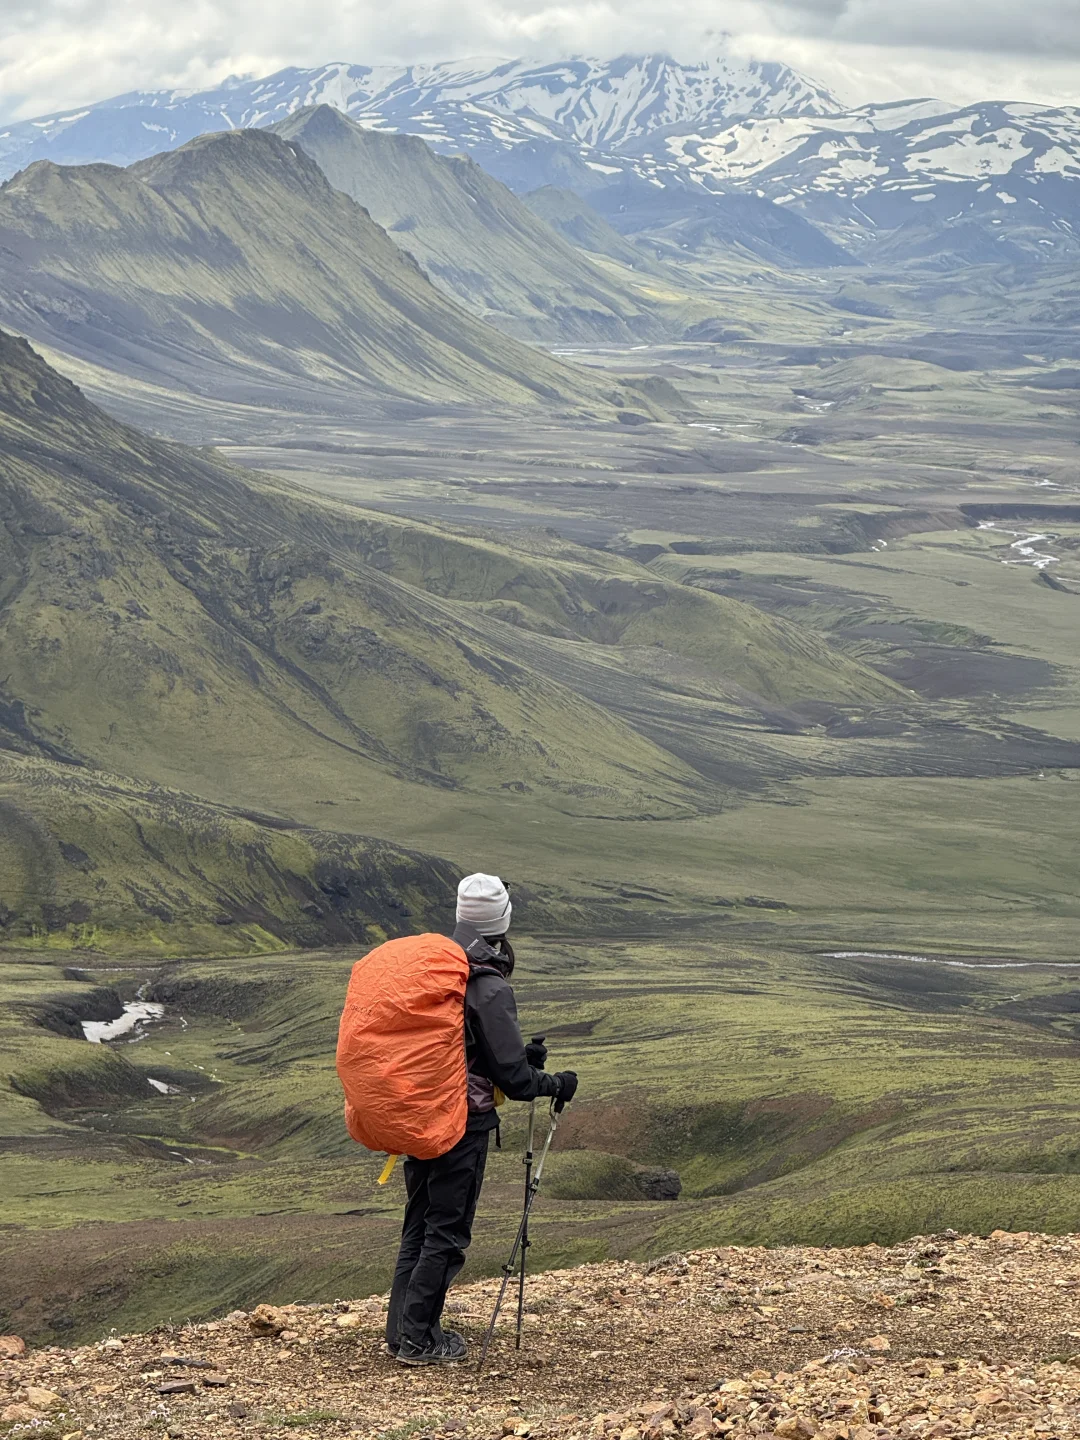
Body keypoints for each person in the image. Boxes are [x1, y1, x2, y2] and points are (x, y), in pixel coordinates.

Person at [386, 873, 578, 1366]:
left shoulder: (436, 969)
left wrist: (520, 1059)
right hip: (461, 1123)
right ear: (502, 922)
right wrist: (553, 1082)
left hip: (421, 1113)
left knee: (419, 1224)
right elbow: (512, 1079)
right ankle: (420, 1341)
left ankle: (402, 1330)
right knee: (447, 1231)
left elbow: (476, 1053)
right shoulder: (487, 983)